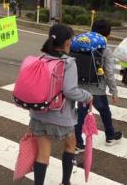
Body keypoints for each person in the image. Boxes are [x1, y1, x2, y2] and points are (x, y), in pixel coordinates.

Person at [29, 23, 92, 185]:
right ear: (67, 43)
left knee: (43, 153)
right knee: (71, 144)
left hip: (38, 113)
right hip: (60, 116)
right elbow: (70, 91)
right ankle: (65, 182)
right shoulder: (68, 63)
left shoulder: (41, 58)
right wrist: (87, 96)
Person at [75, 20, 122, 153]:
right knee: (105, 112)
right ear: (107, 35)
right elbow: (109, 73)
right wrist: (114, 91)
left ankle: (78, 143)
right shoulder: (105, 50)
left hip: (81, 88)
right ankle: (110, 136)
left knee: (80, 115)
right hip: (97, 89)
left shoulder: (79, 46)